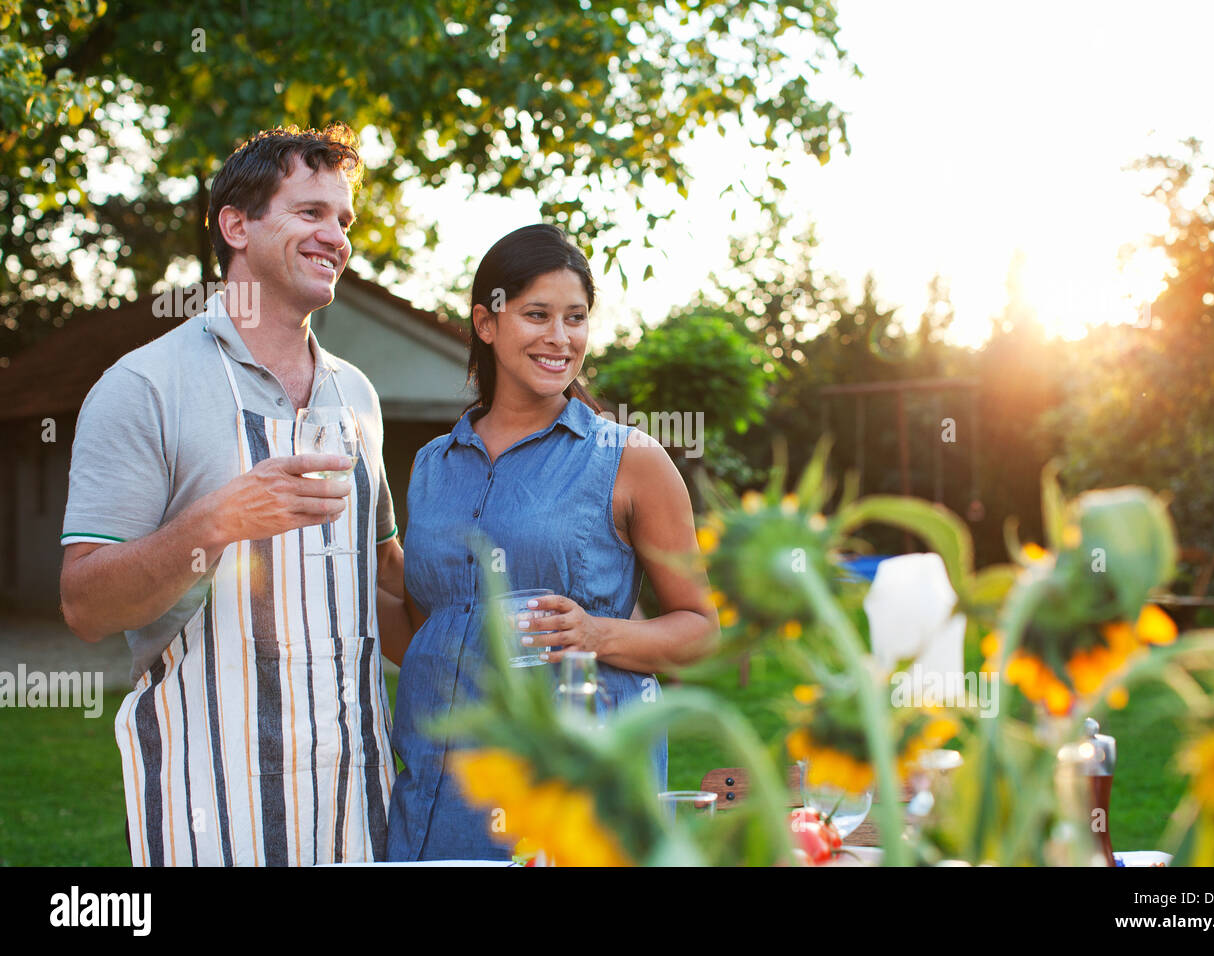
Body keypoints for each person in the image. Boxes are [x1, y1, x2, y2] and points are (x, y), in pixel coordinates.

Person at [59, 124, 408, 866]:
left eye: (344, 220)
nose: (336, 237)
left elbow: (383, 585)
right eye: (310, 212)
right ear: (235, 224)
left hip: (356, 802)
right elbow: (86, 605)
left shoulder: (357, 397)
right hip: (207, 802)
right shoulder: (143, 387)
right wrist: (217, 522)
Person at [385, 223, 720, 861]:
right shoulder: (432, 464)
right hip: (437, 796)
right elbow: (431, 633)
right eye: (537, 314)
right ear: (487, 323)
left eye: (575, 318)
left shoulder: (629, 460)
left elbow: (701, 634)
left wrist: (598, 635)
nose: (560, 338)